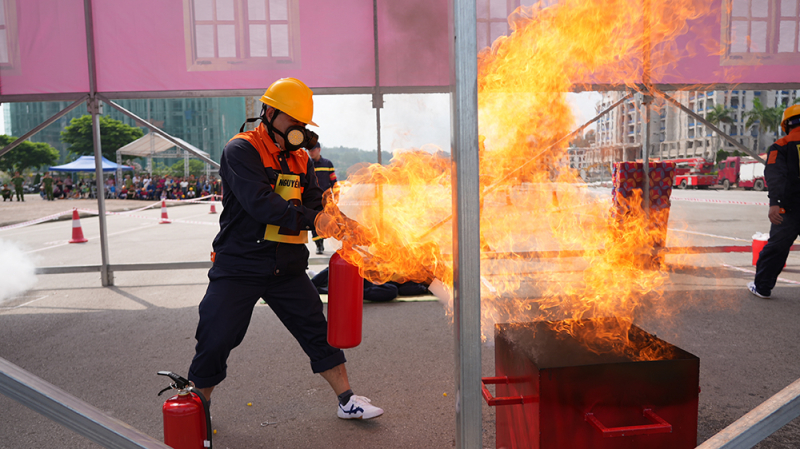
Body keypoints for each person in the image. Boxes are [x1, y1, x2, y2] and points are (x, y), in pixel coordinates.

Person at [187, 77, 383, 420]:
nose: (298, 130)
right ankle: (195, 408)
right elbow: (263, 205)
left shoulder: (301, 159)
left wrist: (345, 225)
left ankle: (347, 400)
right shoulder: (241, 150)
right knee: (216, 336)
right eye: (292, 121)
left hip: (287, 267)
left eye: (302, 124)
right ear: (269, 112)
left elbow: (315, 204)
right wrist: (318, 222)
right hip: (240, 264)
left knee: (317, 331)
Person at [749, 104, 800, 299]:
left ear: (786, 124)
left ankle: (762, 287)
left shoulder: (781, 145)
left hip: (789, 209)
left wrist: (775, 203)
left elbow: (775, 174)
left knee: (777, 248)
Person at [307, 142, 338, 255]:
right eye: (309, 150)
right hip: (312, 199)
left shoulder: (327, 164)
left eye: (313, 150)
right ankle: (318, 245)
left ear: (319, 150)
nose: (311, 152)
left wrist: (336, 194)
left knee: (325, 222)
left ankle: (322, 241)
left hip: (326, 200)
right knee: (314, 222)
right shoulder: (307, 164)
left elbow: (333, 181)